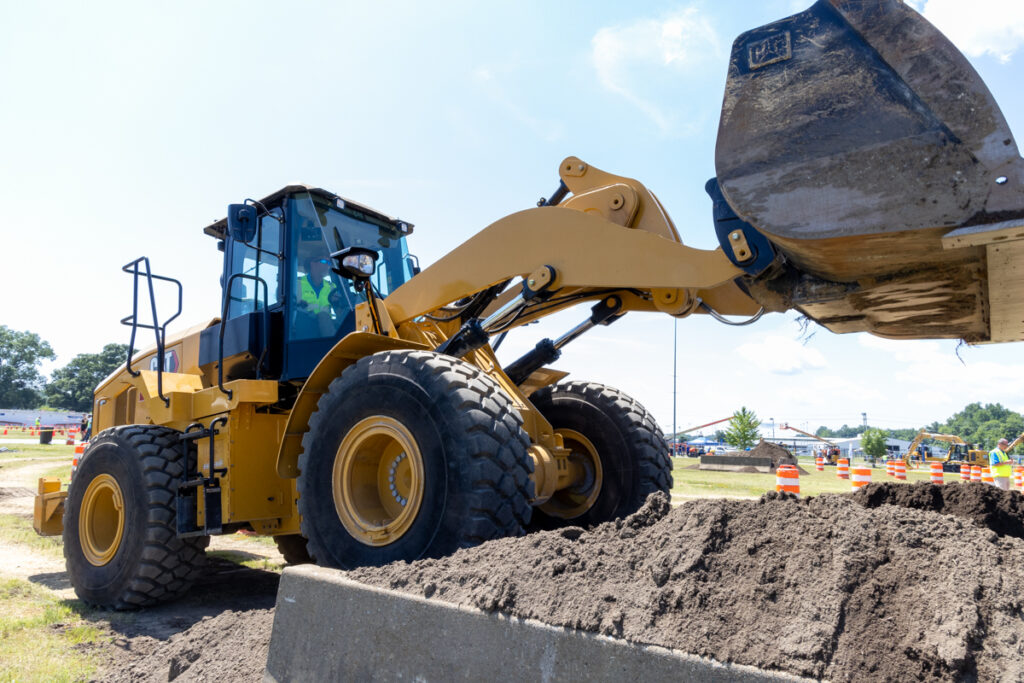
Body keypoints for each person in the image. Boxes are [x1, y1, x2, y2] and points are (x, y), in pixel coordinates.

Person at [295, 256, 344, 338]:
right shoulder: (296, 283)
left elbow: (340, 310)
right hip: (303, 325)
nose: (327, 266)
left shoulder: (331, 287)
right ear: (312, 263)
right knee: (323, 316)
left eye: (329, 263)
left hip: (326, 326)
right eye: (324, 262)